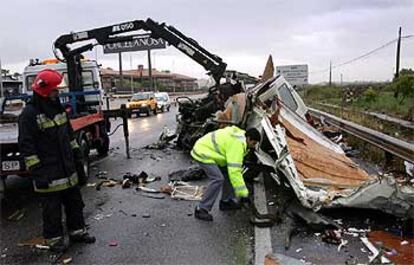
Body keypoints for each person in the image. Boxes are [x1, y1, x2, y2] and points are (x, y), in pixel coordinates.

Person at [18, 69, 95, 251]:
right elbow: (27, 147)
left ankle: (77, 232)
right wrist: (37, 173)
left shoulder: (59, 109)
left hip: (67, 169)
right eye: (55, 90)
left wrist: (77, 157)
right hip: (48, 172)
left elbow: (69, 136)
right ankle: (55, 241)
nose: (57, 93)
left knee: (74, 203)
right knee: (51, 210)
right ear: (45, 91)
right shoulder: (29, 115)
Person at [191, 126, 261, 221]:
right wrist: (244, 193)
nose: (253, 146)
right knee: (218, 179)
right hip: (203, 153)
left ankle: (226, 201)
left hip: (211, 152)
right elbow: (235, 172)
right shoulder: (237, 145)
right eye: (253, 143)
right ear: (248, 138)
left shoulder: (241, 136)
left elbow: (232, 172)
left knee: (227, 174)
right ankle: (201, 208)